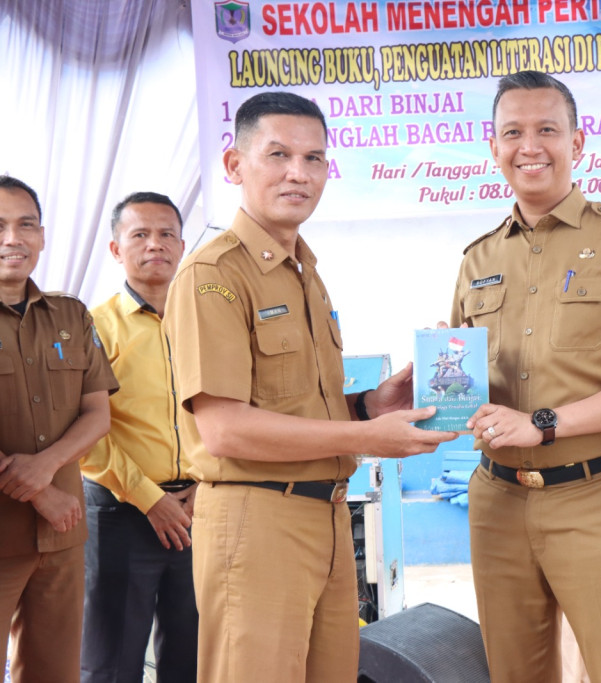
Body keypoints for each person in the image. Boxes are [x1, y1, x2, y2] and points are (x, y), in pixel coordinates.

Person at [162, 91, 457, 682]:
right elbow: (224, 428)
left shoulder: (305, 272)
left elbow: (293, 403)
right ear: (234, 165)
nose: (298, 173)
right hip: (256, 518)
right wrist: (369, 436)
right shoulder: (213, 274)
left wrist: (372, 405)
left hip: (323, 515)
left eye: (314, 158)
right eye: (278, 155)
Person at [450, 71, 601, 683]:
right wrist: (428, 388)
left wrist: (543, 424)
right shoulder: (477, 258)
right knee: (513, 673)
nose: (530, 146)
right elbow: (461, 377)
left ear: (577, 144)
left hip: (596, 496)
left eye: (547, 130)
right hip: (497, 499)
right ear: (493, 145)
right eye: (514, 132)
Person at [0, 175, 118, 681]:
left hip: (61, 537)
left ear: (42, 236)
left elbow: (98, 413)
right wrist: (39, 493)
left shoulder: (70, 314)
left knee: (54, 672)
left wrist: (46, 470)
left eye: (26, 225)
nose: (12, 238)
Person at [79, 192, 197, 683]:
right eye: (140, 235)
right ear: (115, 249)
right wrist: (150, 499)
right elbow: (84, 432)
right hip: (122, 512)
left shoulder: (207, 323)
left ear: (182, 245)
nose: (156, 245)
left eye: (167, 234)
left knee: (195, 656)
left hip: (200, 510)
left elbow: (233, 413)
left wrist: (207, 487)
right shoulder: (92, 327)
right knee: (113, 662)